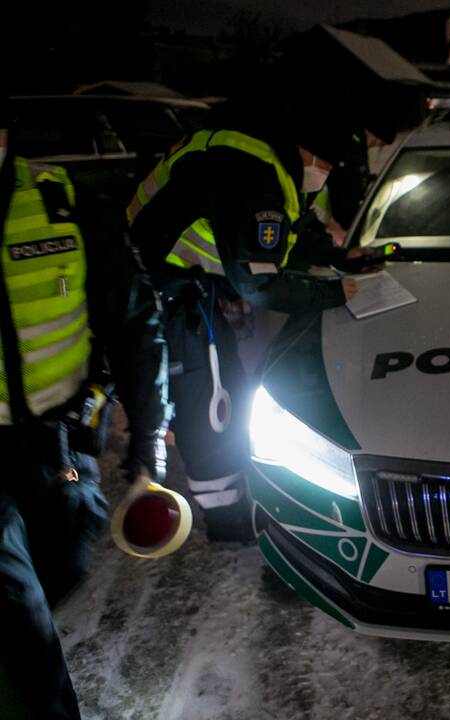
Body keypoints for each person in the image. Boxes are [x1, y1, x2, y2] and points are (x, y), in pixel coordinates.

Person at [126, 93, 382, 541]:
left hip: (178, 281)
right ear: (307, 150)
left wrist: (340, 256)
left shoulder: (258, 156)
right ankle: (226, 517)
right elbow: (257, 281)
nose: (323, 176)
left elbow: (277, 242)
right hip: (158, 288)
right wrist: (330, 292)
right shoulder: (255, 173)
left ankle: (227, 493)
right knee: (208, 400)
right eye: (325, 163)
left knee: (224, 386)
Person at [0, 102, 169, 720]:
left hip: (64, 457)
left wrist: (148, 441)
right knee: (22, 625)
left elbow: (135, 325)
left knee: (56, 577)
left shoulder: (65, 206)